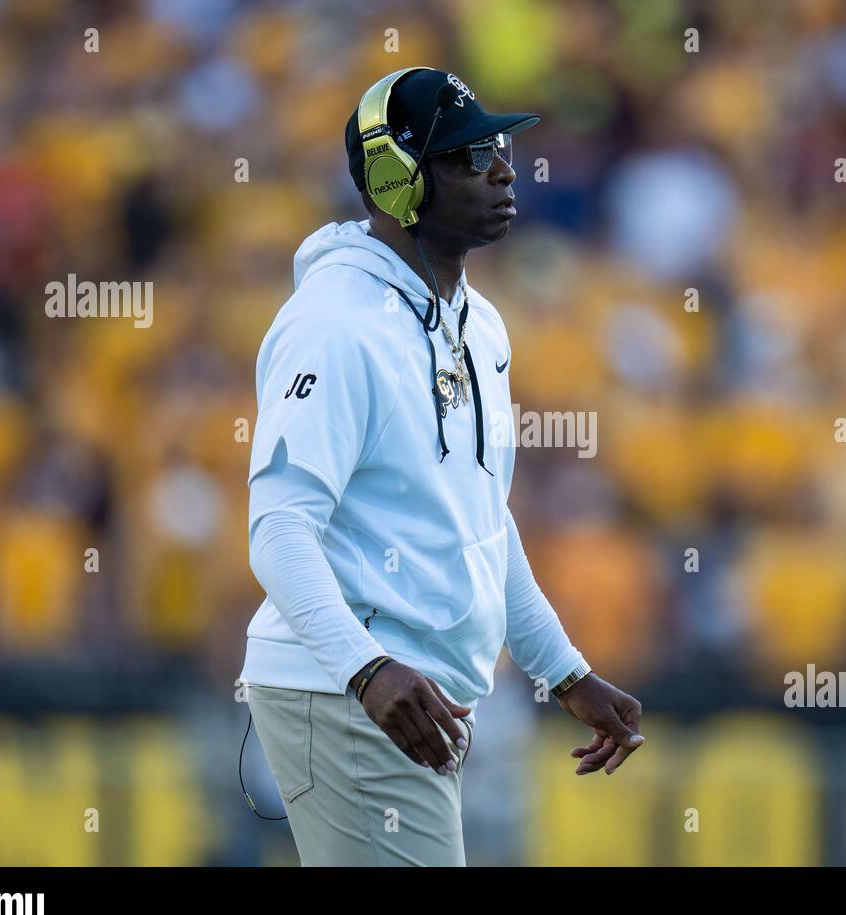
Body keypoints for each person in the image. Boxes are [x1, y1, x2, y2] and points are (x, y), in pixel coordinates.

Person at [240, 67, 645, 866]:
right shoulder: (335, 326)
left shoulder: (478, 323)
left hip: (412, 693)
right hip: (351, 689)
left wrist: (563, 672)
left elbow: (481, 521)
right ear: (399, 179)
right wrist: (368, 671)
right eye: (467, 156)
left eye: (498, 147)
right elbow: (279, 528)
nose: (503, 169)